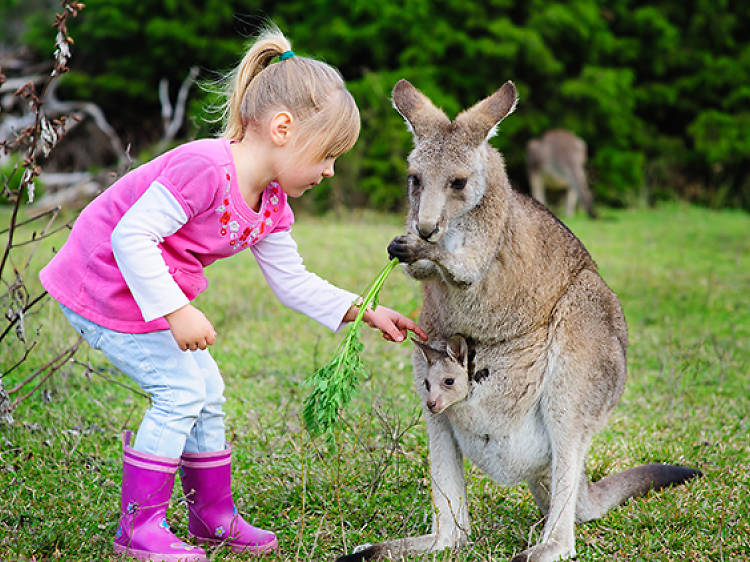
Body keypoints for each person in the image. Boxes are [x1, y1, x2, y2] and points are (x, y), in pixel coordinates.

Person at [39, 26, 426, 562]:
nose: (331, 171)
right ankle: (139, 527)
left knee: (207, 388)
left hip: (142, 290)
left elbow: (293, 281)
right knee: (180, 391)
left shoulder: (271, 204)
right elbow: (131, 236)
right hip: (100, 282)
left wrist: (365, 311)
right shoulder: (203, 168)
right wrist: (178, 310)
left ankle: (212, 516)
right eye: (328, 155)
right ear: (283, 128)